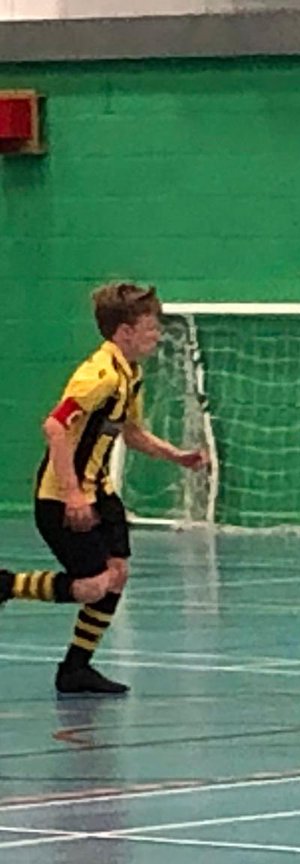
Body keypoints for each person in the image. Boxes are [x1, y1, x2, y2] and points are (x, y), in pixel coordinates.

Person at [12, 282, 207, 695]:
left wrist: (178, 457)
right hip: (63, 497)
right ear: (124, 332)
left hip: (101, 492)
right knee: (91, 586)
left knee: (116, 576)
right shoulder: (97, 375)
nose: (157, 336)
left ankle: (75, 669)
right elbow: (54, 426)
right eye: (150, 328)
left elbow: (131, 433)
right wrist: (72, 494)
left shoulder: (128, 375)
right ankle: (7, 585)